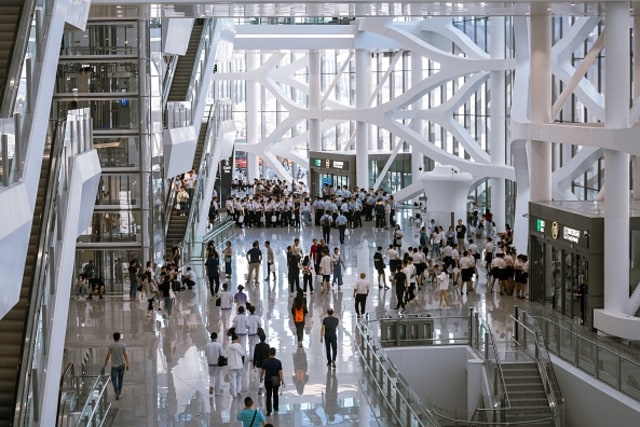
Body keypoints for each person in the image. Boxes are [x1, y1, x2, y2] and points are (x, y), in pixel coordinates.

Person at [102, 332, 129, 400]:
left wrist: (105, 363)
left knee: (114, 380)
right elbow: (125, 355)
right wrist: (127, 364)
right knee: (120, 379)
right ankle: (119, 392)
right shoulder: (123, 345)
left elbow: (108, 355)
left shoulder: (111, 346)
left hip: (114, 366)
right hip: (122, 365)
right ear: (119, 337)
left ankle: (116, 390)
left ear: (113, 338)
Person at [260, 347, 285, 416]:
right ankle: (276, 407)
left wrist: (261, 377)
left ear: (269, 353)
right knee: (275, 394)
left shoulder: (265, 361)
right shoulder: (278, 362)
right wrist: (282, 380)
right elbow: (280, 372)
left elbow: (262, 370)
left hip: (267, 380)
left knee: (268, 395)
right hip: (276, 380)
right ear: (275, 353)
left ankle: (269, 410)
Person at [227, 334, 246, 399]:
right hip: (238, 364)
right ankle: (238, 391)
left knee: (232, 379)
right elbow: (243, 354)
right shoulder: (239, 346)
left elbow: (225, 355)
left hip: (231, 364)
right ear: (236, 339)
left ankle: (234, 394)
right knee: (239, 377)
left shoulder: (228, 346)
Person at [253, 330, 270, 395]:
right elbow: (269, 355)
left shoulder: (257, 346)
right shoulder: (267, 346)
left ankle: (260, 386)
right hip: (266, 363)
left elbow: (255, 355)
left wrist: (254, 363)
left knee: (260, 375)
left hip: (259, 363)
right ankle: (266, 388)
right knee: (266, 375)